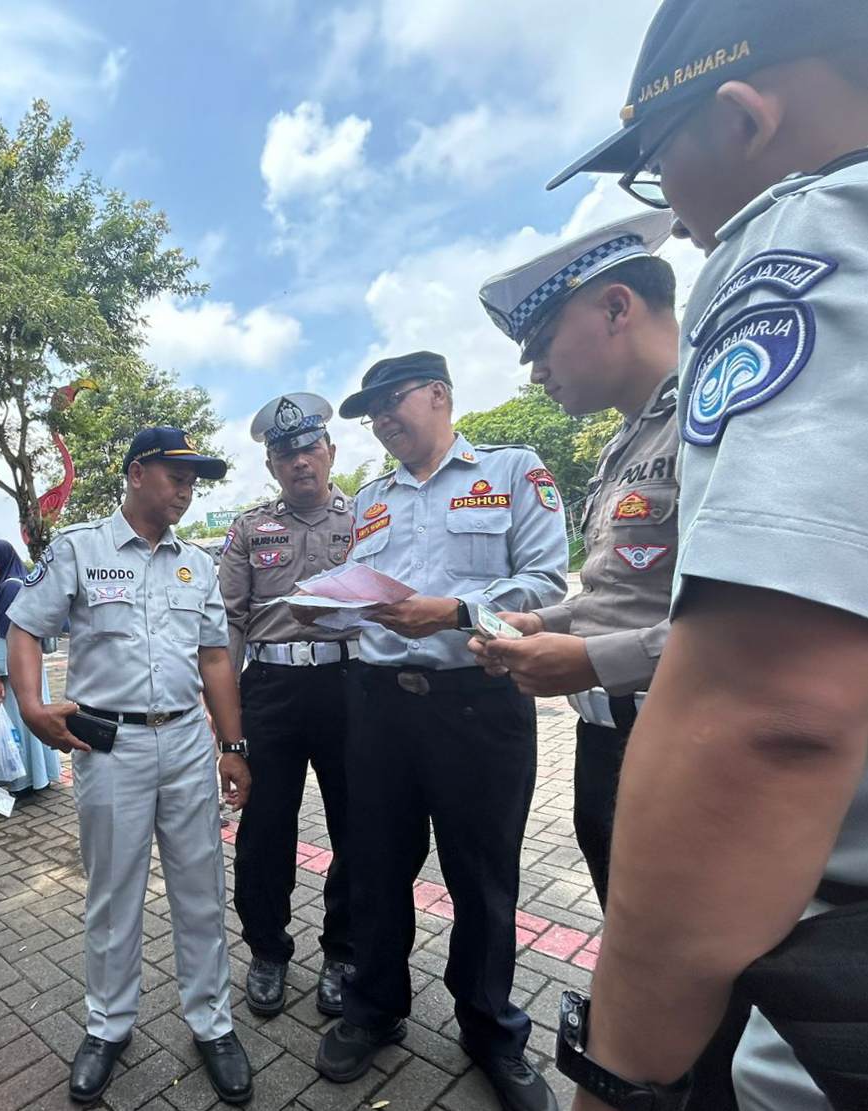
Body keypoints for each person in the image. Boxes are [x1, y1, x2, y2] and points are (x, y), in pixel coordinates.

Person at [545, 3, 868, 1109]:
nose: (671, 221)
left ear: (739, 117)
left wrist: (619, 1073)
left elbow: (765, 713)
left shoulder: (808, 233)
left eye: (655, 172)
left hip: (823, 959)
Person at [316, 352, 568, 1111]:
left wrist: (455, 610)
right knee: (375, 864)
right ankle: (374, 1006)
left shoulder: (513, 469)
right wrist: (324, 605)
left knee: (482, 875)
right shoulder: (370, 498)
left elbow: (547, 583)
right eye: (371, 412)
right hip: (380, 703)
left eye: (392, 401)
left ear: (438, 395)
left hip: (477, 702)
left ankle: (490, 1028)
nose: (382, 419)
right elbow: (364, 590)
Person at [5, 428, 255, 1106]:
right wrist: (31, 705)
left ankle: (212, 1023)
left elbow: (213, 658)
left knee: (200, 887)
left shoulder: (196, 565)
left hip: (182, 743)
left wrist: (231, 746)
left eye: (195, 478)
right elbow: (24, 626)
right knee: (112, 893)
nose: (187, 487)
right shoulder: (79, 549)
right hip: (107, 744)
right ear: (137, 471)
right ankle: (108, 1025)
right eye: (177, 474)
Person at [471, 210, 678, 909]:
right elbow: (616, 592)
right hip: (607, 739)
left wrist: (589, 660)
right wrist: (545, 624)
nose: (535, 373)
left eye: (543, 342)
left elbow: (760, 624)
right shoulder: (620, 445)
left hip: (685, 739)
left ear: (615, 307)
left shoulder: (719, 418)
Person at [218, 392, 358, 1019]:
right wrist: (225, 727)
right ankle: (268, 951)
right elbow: (227, 628)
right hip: (270, 690)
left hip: (348, 687)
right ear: (272, 466)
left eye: (309, 448)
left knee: (356, 827)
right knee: (265, 827)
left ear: (330, 452)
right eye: (286, 454)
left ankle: (344, 951)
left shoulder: (367, 519)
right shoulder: (250, 528)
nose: (300, 461)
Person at [0, 540, 60, 796]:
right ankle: (37, 775)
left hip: (15, 668)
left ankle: (20, 779)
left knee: (15, 720)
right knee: (31, 716)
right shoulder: (22, 582)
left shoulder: (10, 587)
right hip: (30, 666)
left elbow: (6, 633)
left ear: (0, 560)